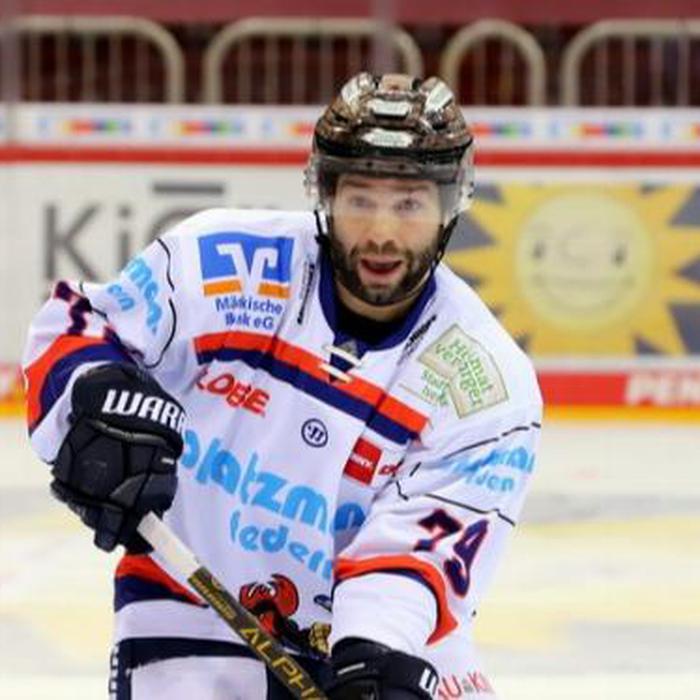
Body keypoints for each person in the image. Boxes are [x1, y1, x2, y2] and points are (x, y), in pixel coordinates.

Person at [23, 73, 542, 699]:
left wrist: (374, 652)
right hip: (188, 607)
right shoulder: (222, 262)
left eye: (409, 204)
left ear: (450, 206)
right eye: (360, 200)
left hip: (389, 643)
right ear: (324, 193)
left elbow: (416, 557)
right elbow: (76, 326)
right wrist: (92, 402)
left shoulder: (489, 385)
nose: (381, 232)